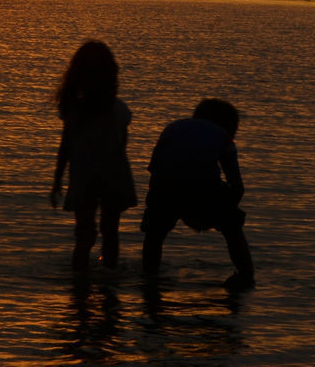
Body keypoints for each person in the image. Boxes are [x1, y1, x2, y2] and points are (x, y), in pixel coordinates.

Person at [140, 98, 256, 289]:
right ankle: (246, 276)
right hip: (203, 186)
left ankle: (149, 276)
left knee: (155, 234)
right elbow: (236, 183)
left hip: (164, 186)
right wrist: (227, 211)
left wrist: (156, 200)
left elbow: (155, 168)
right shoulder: (223, 137)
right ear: (230, 127)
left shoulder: (173, 127)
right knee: (233, 229)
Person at [50, 40, 137, 271]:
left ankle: (80, 289)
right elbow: (122, 147)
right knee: (110, 233)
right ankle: (109, 287)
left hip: (85, 177)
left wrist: (57, 181)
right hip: (113, 176)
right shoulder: (119, 109)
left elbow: (65, 148)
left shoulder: (73, 112)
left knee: (84, 237)